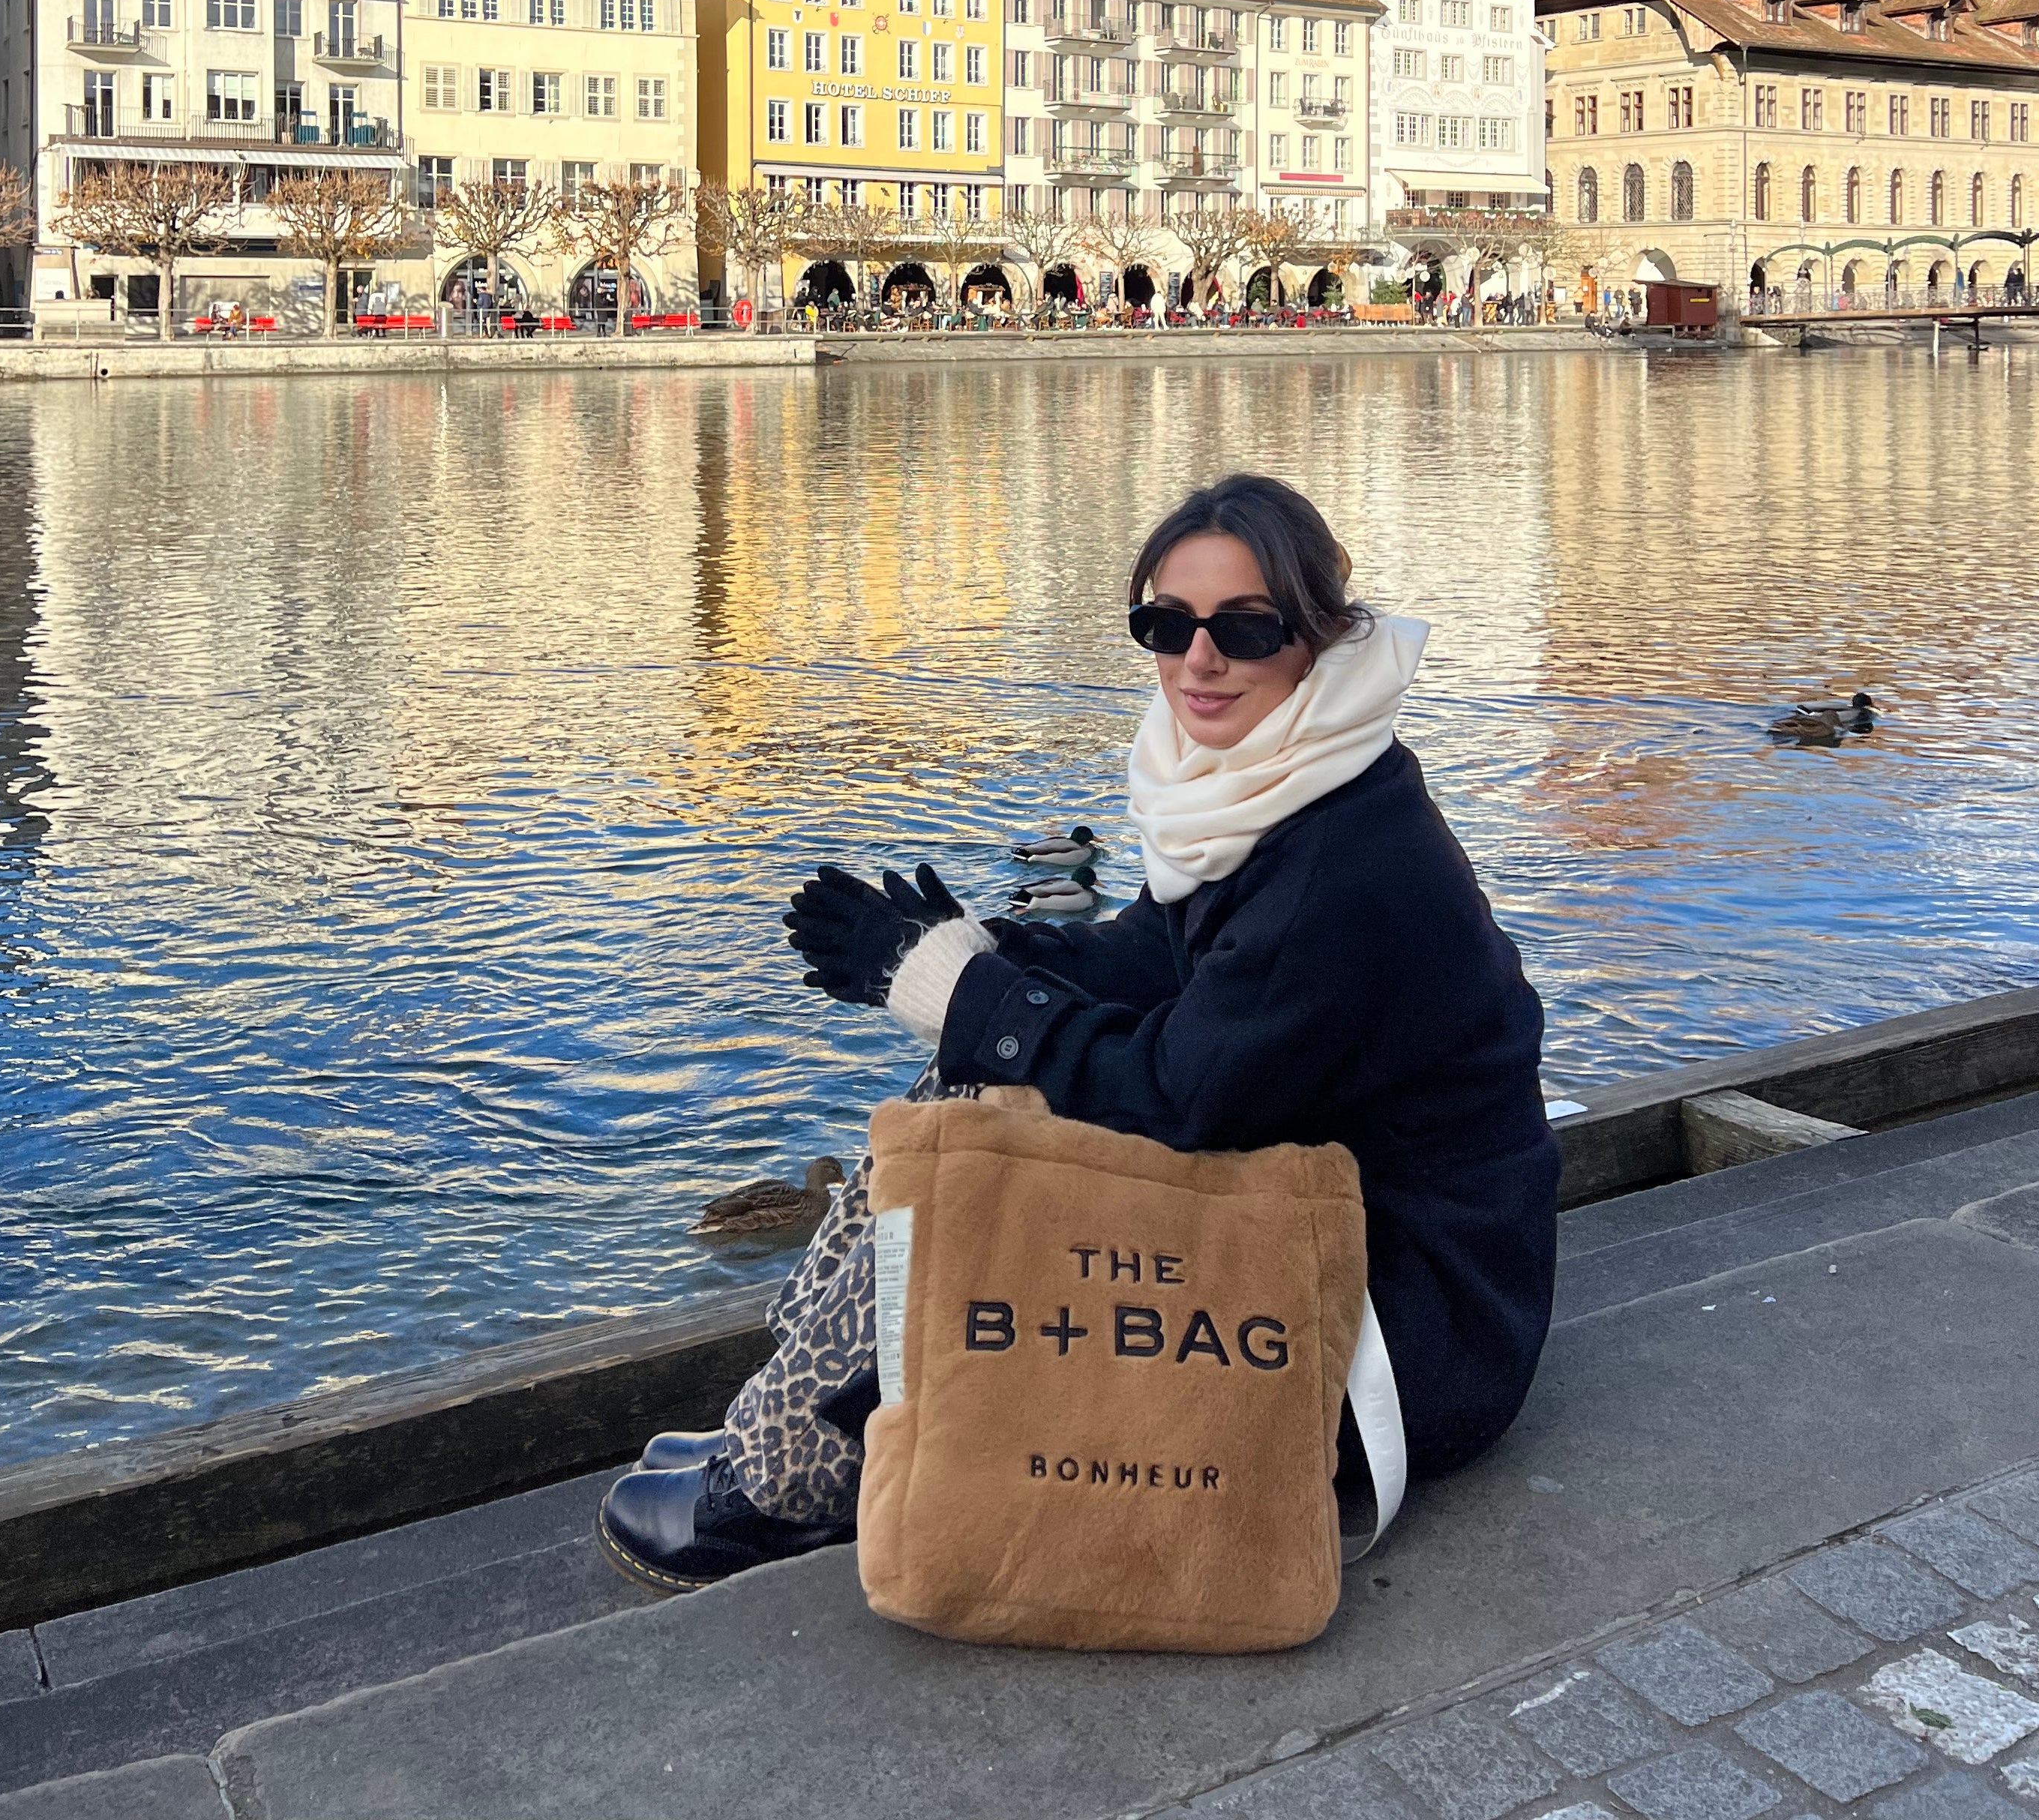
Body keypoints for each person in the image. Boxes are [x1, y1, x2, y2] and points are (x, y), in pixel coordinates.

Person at [598, 472, 1560, 1595]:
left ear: (1317, 636)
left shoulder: (1342, 866)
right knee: (967, 1072)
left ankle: (789, 1473)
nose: (1198, 660)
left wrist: (964, 998)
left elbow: (1175, 1094)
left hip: (1402, 1338)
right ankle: (799, 1415)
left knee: (980, 1125)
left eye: (1243, 629)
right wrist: (971, 950)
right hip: (1336, 1245)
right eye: (1166, 624)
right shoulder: (1284, 781)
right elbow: (1154, 959)